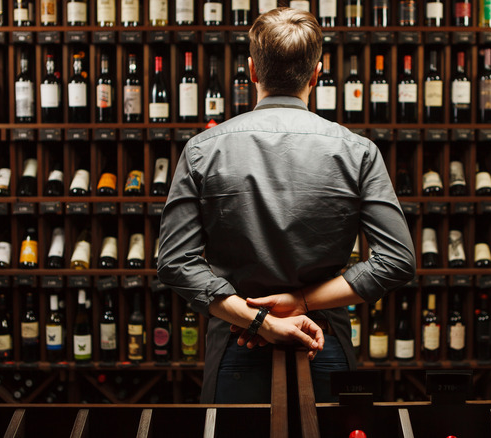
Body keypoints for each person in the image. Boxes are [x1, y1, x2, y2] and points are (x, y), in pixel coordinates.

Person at [157, 7, 415, 404]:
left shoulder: (202, 151)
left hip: (237, 344)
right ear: (317, 73)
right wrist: (303, 303)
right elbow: (397, 261)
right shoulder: (358, 151)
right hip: (322, 340)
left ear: (252, 71)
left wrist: (258, 321)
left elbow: (175, 263)